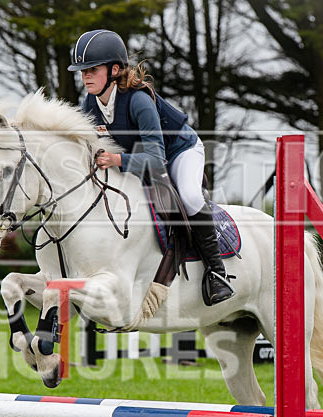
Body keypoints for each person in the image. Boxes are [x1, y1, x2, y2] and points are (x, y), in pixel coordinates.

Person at [68, 29, 234, 305]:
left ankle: (217, 272)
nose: (85, 76)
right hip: (141, 156)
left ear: (114, 70)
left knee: (190, 197)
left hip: (179, 151)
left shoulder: (139, 100)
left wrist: (117, 160)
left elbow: (157, 160)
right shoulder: (90, 103)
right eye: (83, 71)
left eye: (92, 69)